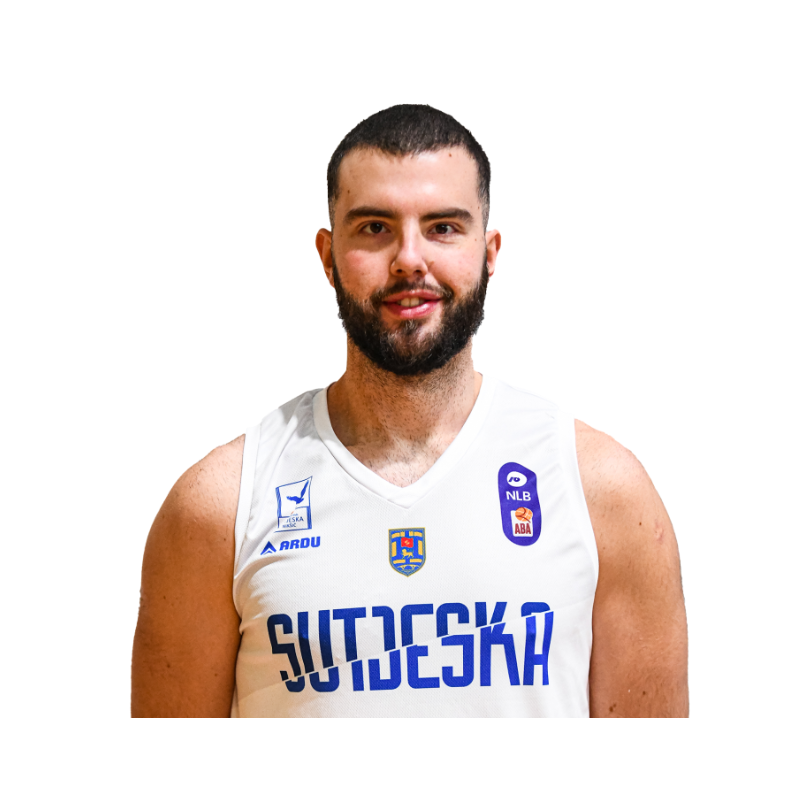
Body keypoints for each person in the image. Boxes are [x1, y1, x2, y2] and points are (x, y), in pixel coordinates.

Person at [131, 104, 688, 717]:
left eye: (443, 227)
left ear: (489, 251)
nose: (409, 259)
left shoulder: (600, 490)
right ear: (327, 255)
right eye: (375, 227)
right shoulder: (220, 504)